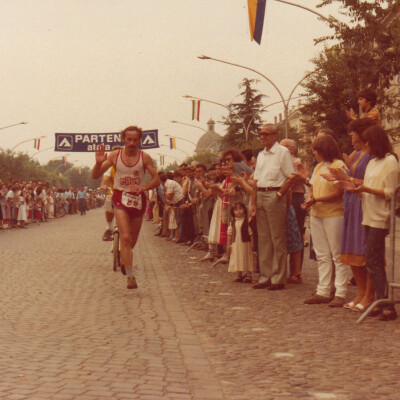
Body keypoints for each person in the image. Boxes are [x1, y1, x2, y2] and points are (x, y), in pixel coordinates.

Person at [92, 125, 161, 289]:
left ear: (139, 140)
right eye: (128, 139)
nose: (131, 142)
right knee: (125, 237)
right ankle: (130, 276)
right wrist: (98, 163)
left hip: (138, 201)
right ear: (123, 139)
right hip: (120, 198)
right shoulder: (115, 155)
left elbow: (157, 180)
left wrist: (144, 187)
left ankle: (125, 259)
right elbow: (95, 175)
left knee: (132, 242)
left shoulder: (145, 158)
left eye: (134, 140)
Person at [342, 125, 399, 321]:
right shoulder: (374, 162)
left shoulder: (390, 161)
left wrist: (366, 189)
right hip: (368, 213)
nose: (366, 145)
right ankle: (381, 302)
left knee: (374, 259)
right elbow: (367, 186)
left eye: (368, 142)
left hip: (380, 216)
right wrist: (353, 187)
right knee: (371, 259)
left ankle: (386, 304)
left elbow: (391, 192)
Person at [326, 118, 377, 312]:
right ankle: (361, 292)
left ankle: (370, 294)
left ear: (362, 133)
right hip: (352, 202)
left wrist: (347, 178)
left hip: (363, 203)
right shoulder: (358, 154)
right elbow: (351, 177)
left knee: (365, 250)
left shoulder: (372, 154)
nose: (350, 136)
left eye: (353, 132)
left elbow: (370, 181)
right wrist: (338, 179)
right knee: (353, 249)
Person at [302, 134, 349, 307]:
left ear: (324, 150)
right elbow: (312, 187)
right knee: (322, 254)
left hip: (333, 214)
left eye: (316, 149)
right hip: (316, 213)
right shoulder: (318, 167)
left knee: (337, 254)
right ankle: (323, 290)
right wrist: (309, 198)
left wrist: (316, 200)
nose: (314, 153)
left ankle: (340, 292)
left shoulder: (339, 166)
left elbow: (339, 193)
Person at [249, 124, 294, 290]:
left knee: (277, 238)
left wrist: (280, 195)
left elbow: (291, 177)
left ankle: (278, 278)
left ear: (275, 136)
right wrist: (253, 203)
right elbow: (255, 180)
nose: (262, 137)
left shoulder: (283, 152)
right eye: (260, 134)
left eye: (266, 134)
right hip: (261, 194)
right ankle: (265, 276)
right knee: (264, 239)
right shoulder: (261, 155)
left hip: (275, 194)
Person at [227, 202, 254, 283]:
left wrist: (252, 243)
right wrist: (229, 245)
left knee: (246, 257)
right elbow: (229, 234)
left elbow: (251, 233)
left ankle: (248, 275)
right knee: (237, 257)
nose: (238, 211)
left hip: (245, 243)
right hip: (236, 244)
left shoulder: (246, 221)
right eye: (236, 210)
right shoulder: (232, 223)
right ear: (233, 212)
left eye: (240, 209)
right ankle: (239, 274)